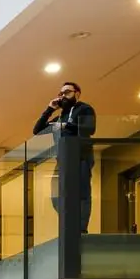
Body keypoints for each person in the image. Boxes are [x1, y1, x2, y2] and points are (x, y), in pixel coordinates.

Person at [32, 80, 97, 227]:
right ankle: (69, 223)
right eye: (61, 93)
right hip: (62, 160)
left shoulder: (85, 109)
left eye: (67, 92)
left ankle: (81, 228)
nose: (63, 96)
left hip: (81, 157)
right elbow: (37, 130)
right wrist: (50, 109)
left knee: (82, 193)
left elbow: (90, 129)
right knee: (56, 195)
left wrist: (67, 125)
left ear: (77, 94)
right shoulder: (60, 117)